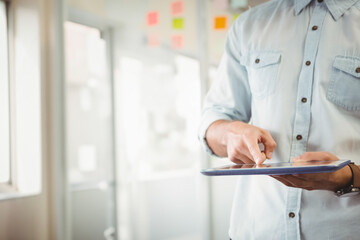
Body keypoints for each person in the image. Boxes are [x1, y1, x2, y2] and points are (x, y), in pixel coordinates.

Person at [198, 0, 360, 239]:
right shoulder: (249, 26)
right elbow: (213, 122)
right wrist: (229, 132)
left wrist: (349, 177)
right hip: (255, 230)